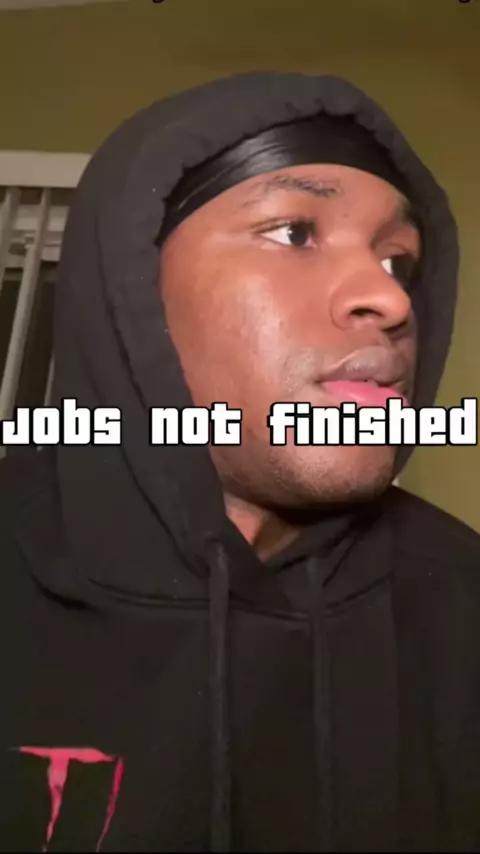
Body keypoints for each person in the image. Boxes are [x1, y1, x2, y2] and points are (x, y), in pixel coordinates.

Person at [1, 70, 479, 853]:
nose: (392, 300)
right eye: (294, 233)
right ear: (131, 293)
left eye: (400, 261)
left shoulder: (461, 608)